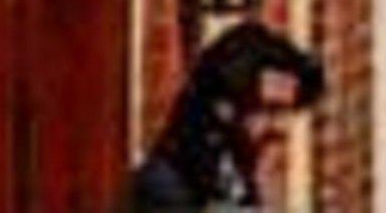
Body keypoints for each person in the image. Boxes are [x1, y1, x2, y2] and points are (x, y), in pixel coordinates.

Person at [126, 21, 326, 213]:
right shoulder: (168, 187)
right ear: (225, 108)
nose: (279, 127)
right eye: (269, 110)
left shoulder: (241, 178)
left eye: (286, 112)